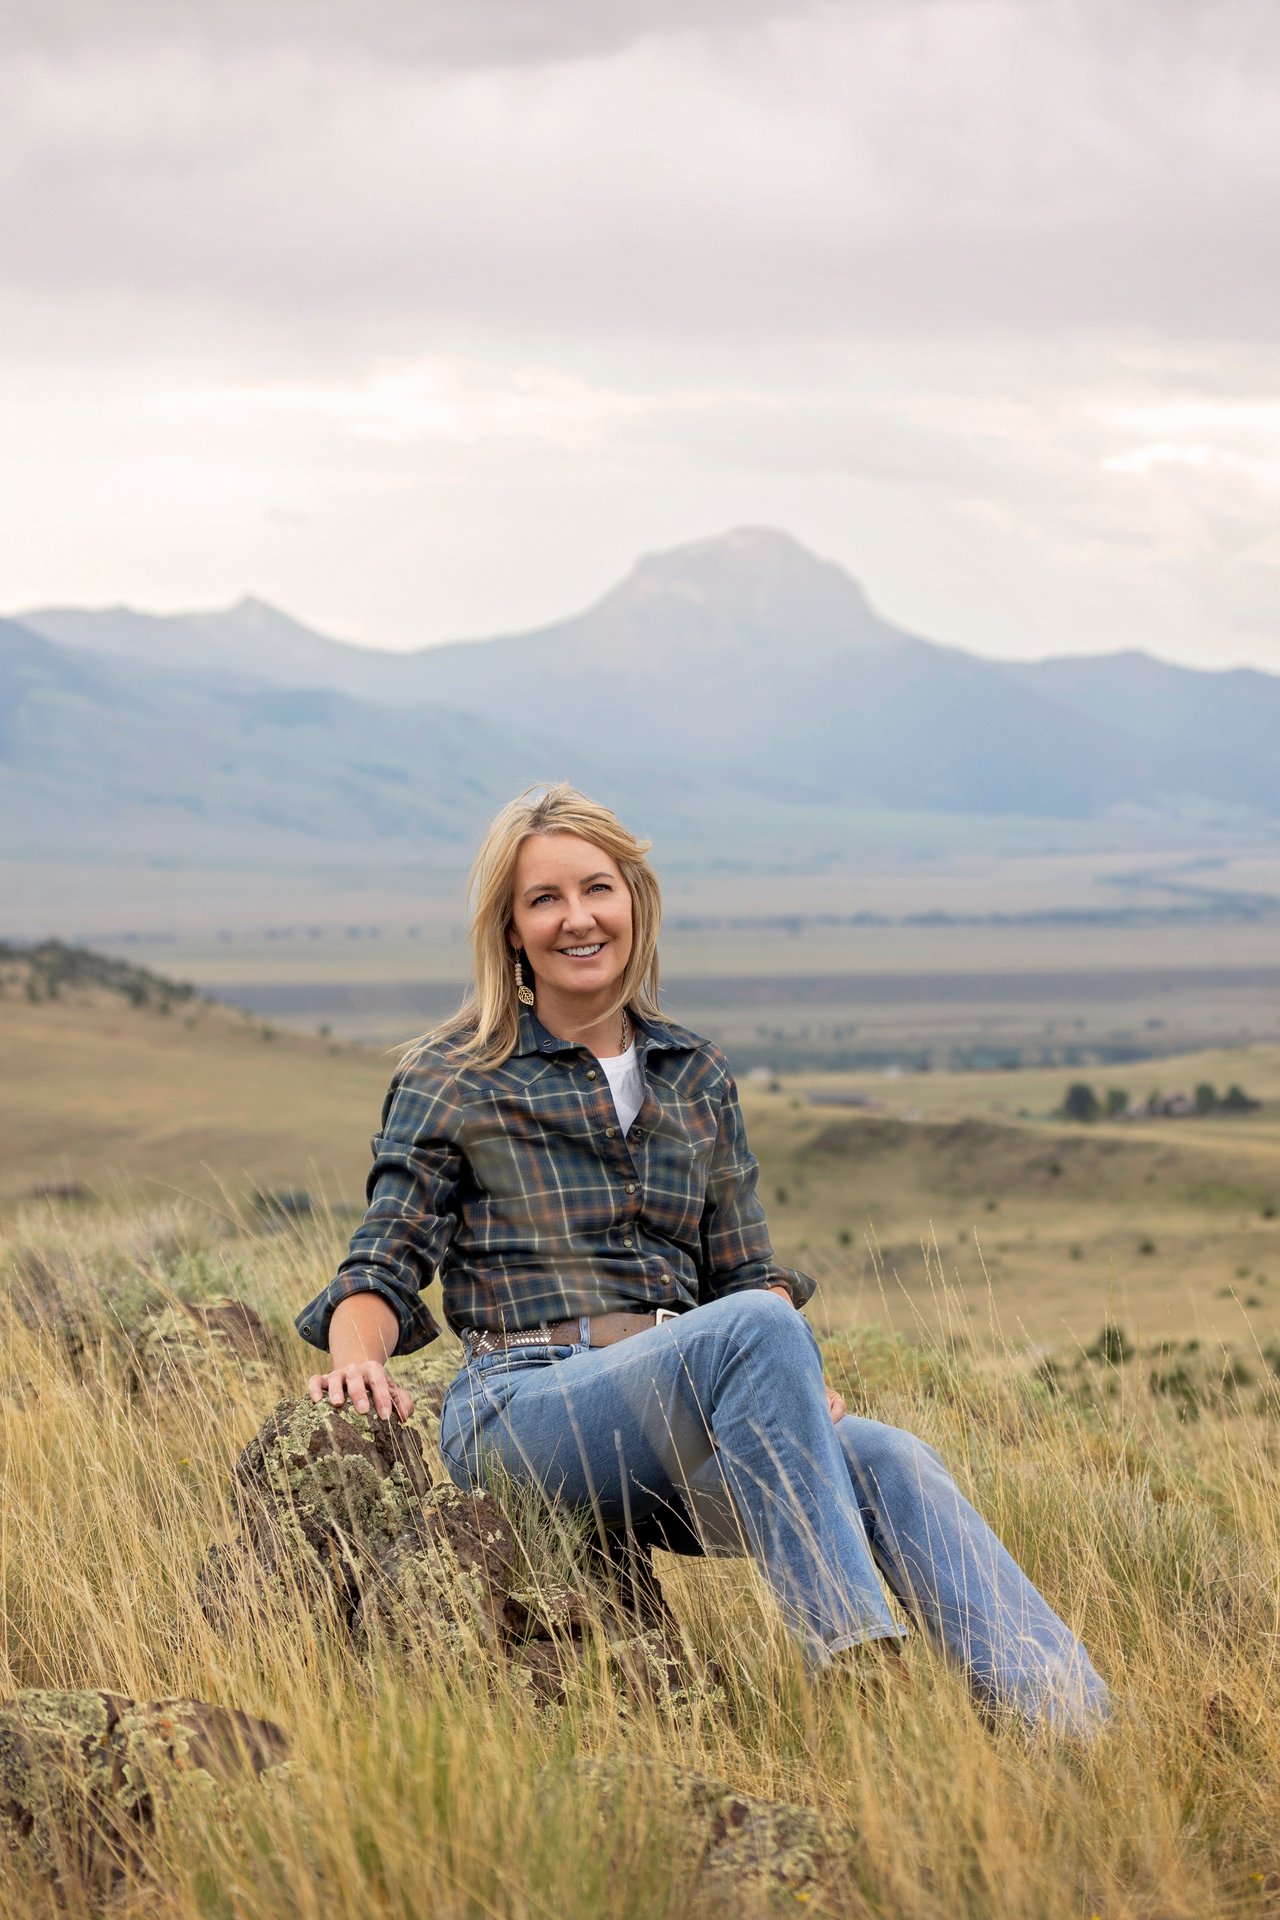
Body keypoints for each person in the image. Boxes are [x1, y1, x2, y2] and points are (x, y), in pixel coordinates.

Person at [297, 784, 1107, 1732]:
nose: (577, 919)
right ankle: (859, 1673)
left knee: (891, 1454)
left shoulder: (697, 1074)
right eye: (543, 900)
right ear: (510, 931)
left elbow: (746, 1276)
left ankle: (1071, 1730)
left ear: (634, 901)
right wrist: (357, 1363)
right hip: (527, 1413)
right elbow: (381, 1259)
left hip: (690, 1423)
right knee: (759, 1332)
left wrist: (792, 1379)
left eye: (597, 889)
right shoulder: (454, 1073)